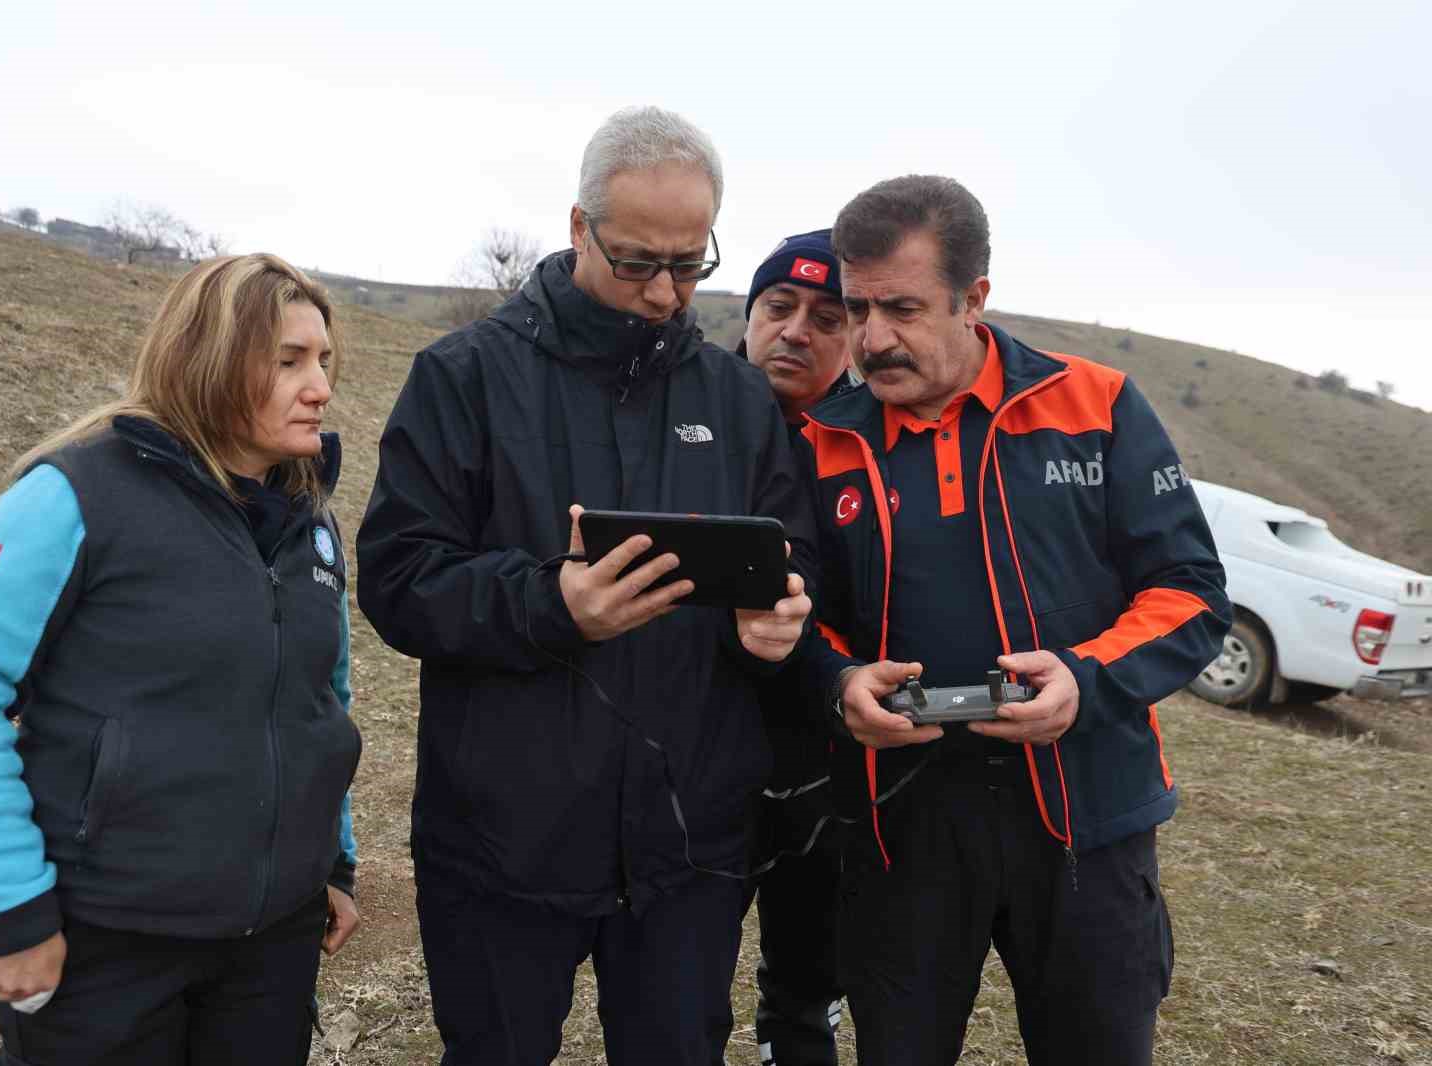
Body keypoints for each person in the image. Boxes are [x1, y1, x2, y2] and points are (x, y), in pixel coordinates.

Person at [356, 106, 814, 1066]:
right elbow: (397, 579)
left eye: (690, 265)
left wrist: (773, 626)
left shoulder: (739, 403)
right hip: (503, 839)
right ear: (577, 229)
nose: (664, 292)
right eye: (639, 261)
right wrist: (548, 604)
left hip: (689, 848)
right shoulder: (465, 378)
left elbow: (786, 562)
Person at [792, 176, 1232, 1065]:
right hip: (900, 823)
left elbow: (1189, 590)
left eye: (904, 308)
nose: (873, 339)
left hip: (1085, 817)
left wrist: (1088, 676)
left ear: (974, 300)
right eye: (858, 308)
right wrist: (838, 683)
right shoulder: (818, 440)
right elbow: (792, 617)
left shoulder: (1096, 406)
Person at [0, 254, 363, 1066]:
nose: (320, 387)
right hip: (108, 942)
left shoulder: (312, 522)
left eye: (323, 361)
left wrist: (333, 861)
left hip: (272, 946)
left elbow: (319, 701)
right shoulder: (74, 496)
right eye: (289, 361)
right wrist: (12, 909)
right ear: (211, 361)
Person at [737, 229, 857, 1066]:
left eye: (826, 316)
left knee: (809, 978)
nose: (796, 331)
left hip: (826, 753)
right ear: (748, 316)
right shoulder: (682, 418)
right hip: (699, 740)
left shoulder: (873, 442)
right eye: (779, 307)